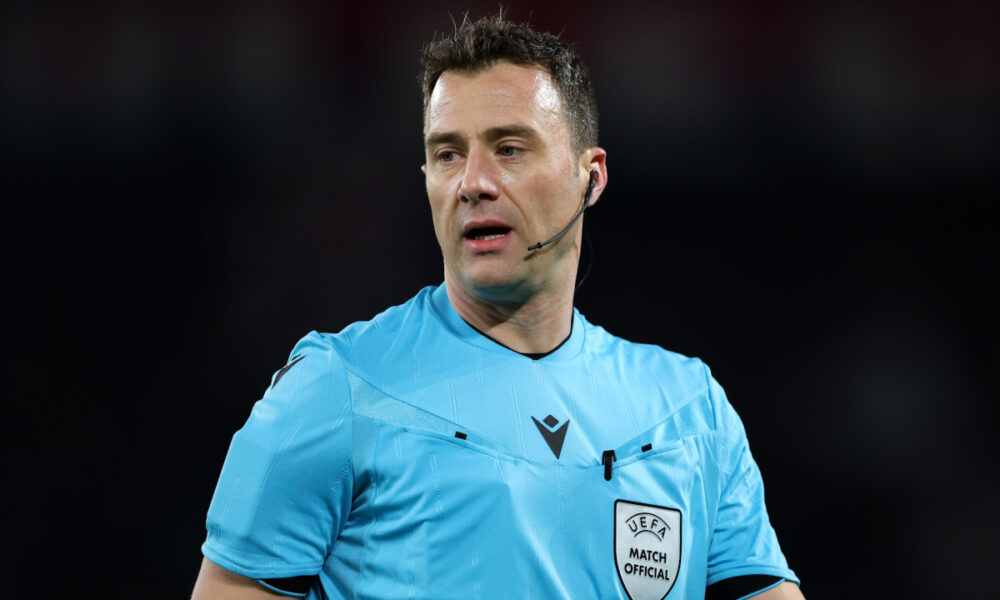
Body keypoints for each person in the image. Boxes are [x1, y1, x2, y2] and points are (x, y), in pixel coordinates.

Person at [191, 14, 805, 600]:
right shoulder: (333, 388)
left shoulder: (690, 411)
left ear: (590, 177)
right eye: (448, 153)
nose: (473, 182)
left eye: (509, 149)